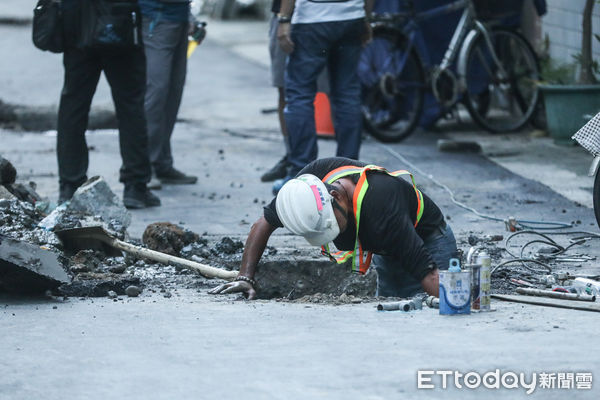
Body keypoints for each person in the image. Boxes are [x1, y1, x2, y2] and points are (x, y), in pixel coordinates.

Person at [210, 157, 457, 300]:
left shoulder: (381, 206)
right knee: (392, 315)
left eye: (331, 226)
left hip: (429, 244)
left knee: (431, 316)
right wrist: (245, 277)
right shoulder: (306, 189)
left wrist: (458, 302)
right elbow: (263, 223)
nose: (335, 235)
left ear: (337, 197)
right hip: (388, 250)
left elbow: (429, 275)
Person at [57, 0, 160, 209]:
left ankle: (70, 185)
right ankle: (135, 187)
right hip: (121, 24)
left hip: (78, 26)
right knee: (131, 108)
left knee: (73, 107)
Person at [271, 0, 374, 194]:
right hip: (351, 17)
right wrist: (366, 17)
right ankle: (349, 175)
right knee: (347, 95)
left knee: (300, 96)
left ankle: (303, 177)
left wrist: (284, 19)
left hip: (312, 18)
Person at [139, 0, 198, 189]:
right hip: (155, 20)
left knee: (172, 94)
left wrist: (189, 16)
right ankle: (144, 167)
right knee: (156, 93)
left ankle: (162, 163)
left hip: (178, 18)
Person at [260, 0, 291, 183]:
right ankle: (292, 157)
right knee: (286, 91)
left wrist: (284, 18)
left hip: (296, 16)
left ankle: (298, 162)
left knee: (292, 94)